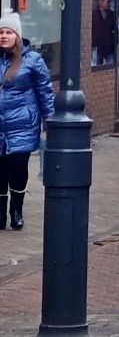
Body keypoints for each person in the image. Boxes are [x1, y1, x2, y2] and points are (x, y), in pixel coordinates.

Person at [0, 12, 54, 230]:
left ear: (17, 35)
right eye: (1, 32)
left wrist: (49, 121)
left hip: (22, 124)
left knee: (18, 166)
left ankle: (16, 210)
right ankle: (0, 213)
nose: (4, 36)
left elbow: (45, 92)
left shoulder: (33, 60)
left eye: (8, 32)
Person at [91, 0, 119, 66]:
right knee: (95, 66)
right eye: (108, 2)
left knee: (110, 65)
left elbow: (115, 29)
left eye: (110, 2)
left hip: (109, 47)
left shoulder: (112, 15)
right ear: (100, 2)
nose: (109, 4)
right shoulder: (93, 15)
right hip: (97, 46)